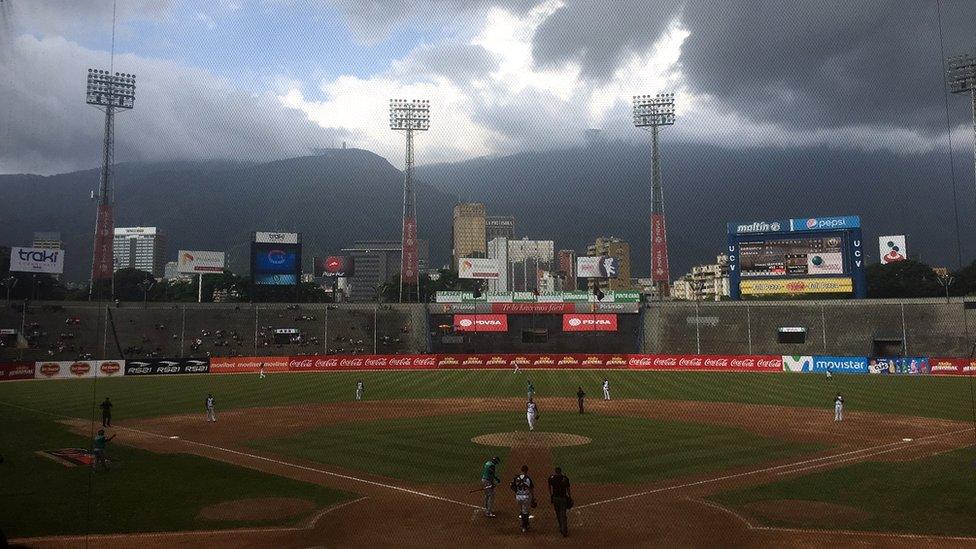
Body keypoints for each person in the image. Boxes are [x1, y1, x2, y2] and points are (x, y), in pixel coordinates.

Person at [548, 467, 572, 537]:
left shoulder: (552, 478)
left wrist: (551, 495)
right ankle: (564, 530)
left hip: (555, 498)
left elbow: (549, 486)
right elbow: (568, 489)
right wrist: (570, 497)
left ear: (555, 472)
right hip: (563, 498)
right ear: (560, 471)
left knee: (558, 513)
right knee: (563, 514)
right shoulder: (565, 478)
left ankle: (561, 526)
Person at [510, 465, 535, 533]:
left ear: (521, 470)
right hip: (525, 497)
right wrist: (533, 497)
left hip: (518, 496)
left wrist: (516, 491)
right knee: (525, 512)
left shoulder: (516, 477)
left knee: (522, 510)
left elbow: (511, 486)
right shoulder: (528, 478)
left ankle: (526, 524)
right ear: (527, 470)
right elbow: (531, 489)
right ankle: (524, 526)